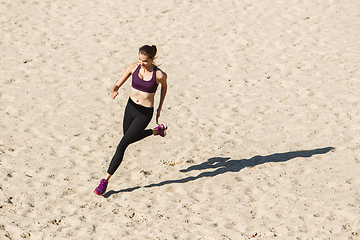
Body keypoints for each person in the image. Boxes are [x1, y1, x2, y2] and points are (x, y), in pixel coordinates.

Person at [94, 45, 168, 196]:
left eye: (145, 61)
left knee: (122, 145)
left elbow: (164, 89)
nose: (141, 63)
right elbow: (117, 83)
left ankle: (105, 181)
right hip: (130, 108)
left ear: (152, 59)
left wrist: (160, 108)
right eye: (140, 59)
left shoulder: (159, 75)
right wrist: (114, 89)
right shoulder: (133, 68)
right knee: (128, 137)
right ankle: (156, 130)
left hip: (144, 113)